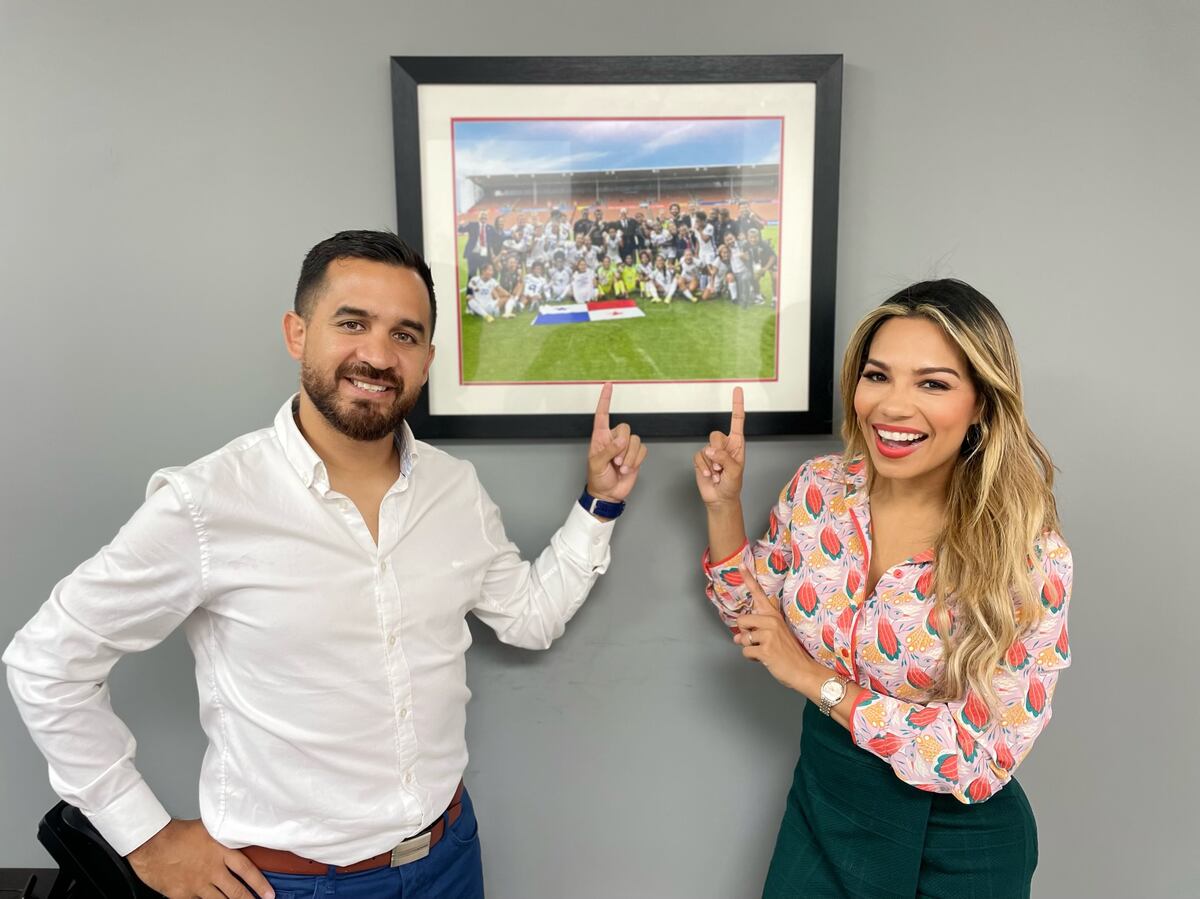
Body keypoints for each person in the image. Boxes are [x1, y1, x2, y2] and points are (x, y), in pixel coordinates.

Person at [5, 230, 648, 899]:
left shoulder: (456, 491)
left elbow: (530, 617)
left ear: (427, 360)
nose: (376, 354)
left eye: (404, 334)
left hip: (450, 858)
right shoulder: (207, 502)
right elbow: (45, 661)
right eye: (352, 323)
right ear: (297, 332)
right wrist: (144, 836)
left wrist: (598, 503)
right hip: (288, 883)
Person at [694, 280, 1071, 898]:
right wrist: (723, 505)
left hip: (954, 839)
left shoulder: (1027, 554)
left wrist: (816, 681)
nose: (894, 406)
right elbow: (750, 614)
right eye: (878, 376)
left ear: (981, 403)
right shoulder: (819, 489)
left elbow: (980, 758)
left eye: (933, 383)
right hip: (826, 801)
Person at [456, 210, 498, 279]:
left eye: (485, 217)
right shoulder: (472, 225)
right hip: (473, 255)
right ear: (479, 217)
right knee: (472, 275)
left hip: (484, 256)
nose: (483, 218)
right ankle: (471, 290)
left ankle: (481, 289)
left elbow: (498, 237)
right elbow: (461, 230)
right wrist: (460, 224)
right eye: (482, 216)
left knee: (484, 275)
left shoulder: (490, 227)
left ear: (487, 218)